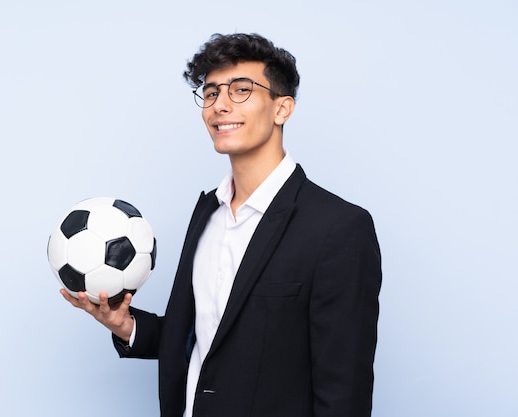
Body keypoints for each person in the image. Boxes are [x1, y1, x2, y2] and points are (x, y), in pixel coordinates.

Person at [61, 33, 382, 417]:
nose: (220, 105)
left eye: (241, 90)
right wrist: (126, 324)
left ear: (283, 108)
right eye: (211, 93)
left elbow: (344, 390)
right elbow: (209, 339)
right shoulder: (206, 214)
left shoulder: (339, 228)